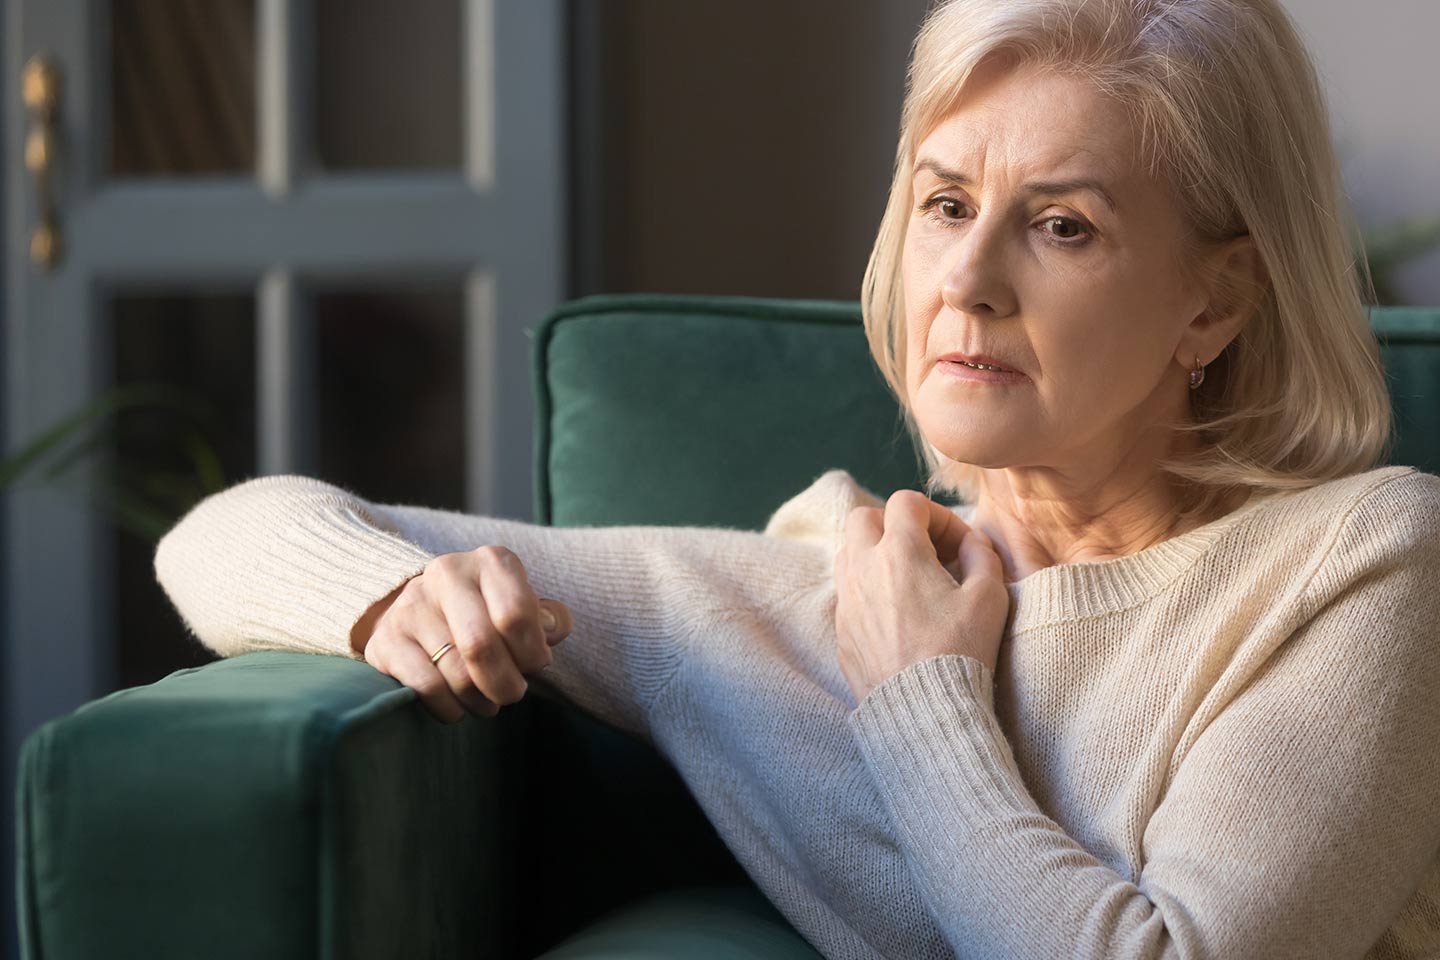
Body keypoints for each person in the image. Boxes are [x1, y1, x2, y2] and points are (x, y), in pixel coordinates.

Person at [153, 0, 1440, 957]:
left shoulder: (1364, 564)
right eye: (945, 204)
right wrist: (390, 601)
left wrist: (923, 693)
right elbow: (219, 537)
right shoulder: (825, 587)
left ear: (1214, 302)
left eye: (1062, 225)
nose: (970, 279)